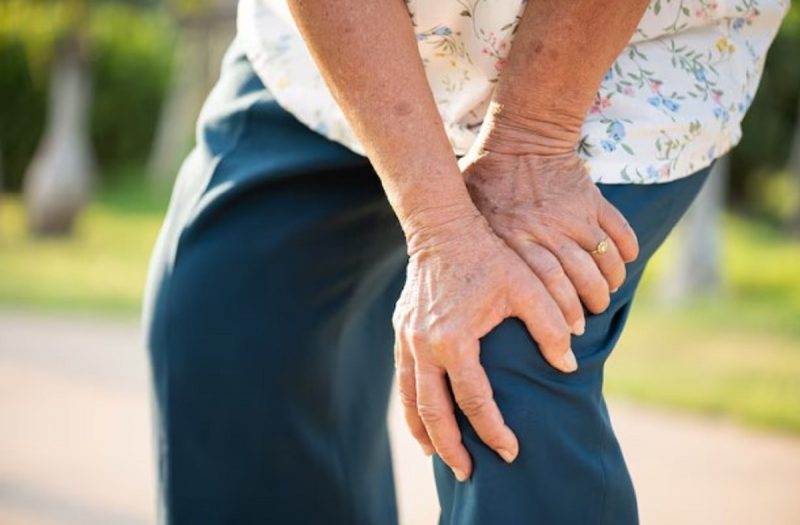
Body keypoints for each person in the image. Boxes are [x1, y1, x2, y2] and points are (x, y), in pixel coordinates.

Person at [142, 0, 788, 523]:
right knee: (227, 307)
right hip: (351, 50)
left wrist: (532, 139)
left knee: (505, 355)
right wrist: (439, 227)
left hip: (621, 55)